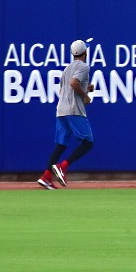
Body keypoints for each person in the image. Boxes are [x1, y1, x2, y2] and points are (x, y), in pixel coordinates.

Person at [36, 40, 95, 190]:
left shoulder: (67, 68)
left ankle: (46, 176)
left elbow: (63, 91)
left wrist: (87, 88)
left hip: (61, 110)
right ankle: (63, 166)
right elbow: (74, 83)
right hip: (74, 110)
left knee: (61, 145)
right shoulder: (83, 66)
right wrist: (85, 96)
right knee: (88, 142)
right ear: (85, 52)